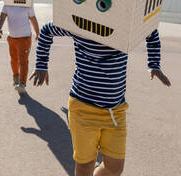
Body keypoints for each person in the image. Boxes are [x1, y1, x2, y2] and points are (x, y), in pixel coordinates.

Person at [30, 22, 171, 176]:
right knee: (85, 167)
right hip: (83, 109)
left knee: (115, 168)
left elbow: (150, 30)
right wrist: (41, 65)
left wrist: (154, 64)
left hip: (115, 111)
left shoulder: (126, 25)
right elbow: (46, 31)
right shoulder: (79, 22)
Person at [0, 5, 39, 94]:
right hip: (12, 38)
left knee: (23, 61)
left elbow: (33, 19)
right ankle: (16, 77)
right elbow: (2, 17)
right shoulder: (7, 4)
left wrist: (38, 32)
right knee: (14, 60)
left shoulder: (27, 4)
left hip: (25, 38)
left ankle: (22, 84)